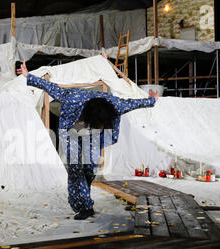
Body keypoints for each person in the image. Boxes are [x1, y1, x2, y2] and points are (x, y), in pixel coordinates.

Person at [17, 59, 159, 220]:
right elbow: (51, 87)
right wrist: (29, 76)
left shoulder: (114, 104)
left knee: (90, 168)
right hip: (72, 129)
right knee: (76, 168)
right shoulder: (73, 97)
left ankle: (85, 186)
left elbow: (133, 103)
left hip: (94, 135)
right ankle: (84, 206)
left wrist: (151, 100)